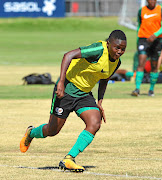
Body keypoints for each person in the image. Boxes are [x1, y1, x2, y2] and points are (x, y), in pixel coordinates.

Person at [20, 30, 127, 172]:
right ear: (108, 44)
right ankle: (31, 133)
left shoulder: (117, 62)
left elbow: (105, 79)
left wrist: (100, 101)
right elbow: (68, 55)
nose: (119, 51)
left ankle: (69, 158)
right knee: (52, 130)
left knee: (95, 122)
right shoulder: (98, 50)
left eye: (123, 49)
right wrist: (61, 83)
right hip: (67, 89)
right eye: (117, 47)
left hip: (84, 94)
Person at [131, 0, 162, 97]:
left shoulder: (160, 10)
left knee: (154, 66)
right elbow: (139, 26)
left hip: (157, 40)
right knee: (141, 62)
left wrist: (155, 35)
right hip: (143, 39)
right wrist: (139, 39)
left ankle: (151, 89)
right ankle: (137, 89)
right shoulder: (141, 11)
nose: (152, 2)